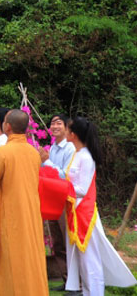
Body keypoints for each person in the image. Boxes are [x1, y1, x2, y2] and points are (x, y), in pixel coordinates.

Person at [0, 109, 48, 295]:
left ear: (7, 127)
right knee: (30, 258)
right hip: (31, 215)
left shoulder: (2, 154)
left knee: (10, 262)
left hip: (10, 217)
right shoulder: (34, 154)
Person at [64, 117, 136, 295]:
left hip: (85, 215)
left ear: (73, 135)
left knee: (90, 261)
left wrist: (61, 189)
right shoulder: (77, 154)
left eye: (66, 129)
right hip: (75, 211)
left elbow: (82, 189)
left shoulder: (87, 158)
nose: (64, 131)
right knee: (82, 260)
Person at [37, 114, 76, 289]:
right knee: (58, 242)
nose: (54, 126)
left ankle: (77, 281)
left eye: (58, 123)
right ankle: (66, 279)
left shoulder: (70, 148)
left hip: (65, 200)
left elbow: (66, 175)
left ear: (67, 128)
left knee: (69, 240)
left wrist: (47, 161)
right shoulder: (52, 148)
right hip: (53, 199)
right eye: (52, 123)